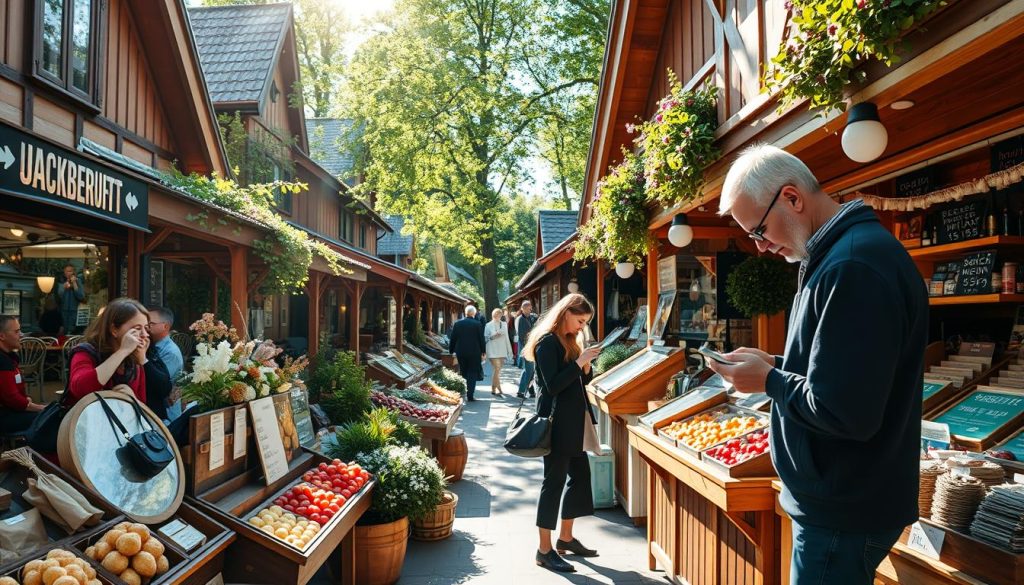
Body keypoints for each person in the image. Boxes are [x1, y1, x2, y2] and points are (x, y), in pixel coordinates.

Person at [708, 145, 927, 585]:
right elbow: (841, 372)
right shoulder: (840, 255)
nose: (763, 247)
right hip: (840, 505)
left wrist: (769, 380)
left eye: (760, 231)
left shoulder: (851, 266)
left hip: (842, 509)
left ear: (792, 198)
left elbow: (846, 411)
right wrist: (777, 363)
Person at [521, 293, 603, 573]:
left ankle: (566, 538)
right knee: (553, 482)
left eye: (585, 322)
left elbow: (576, 380)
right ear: (565, 313)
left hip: (574, 423)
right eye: (580, 320)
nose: (582, 326)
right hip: (556, 425)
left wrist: (586, 367)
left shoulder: (569, 340)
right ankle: (544, 550)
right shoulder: (546, 343)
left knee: (581, 478)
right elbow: (552, 386)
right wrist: (579, 364)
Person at [68, 298, 149, 406]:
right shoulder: (85, 352)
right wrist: (123, 351)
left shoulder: (134, 359)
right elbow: (80, 389)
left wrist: (133, 399)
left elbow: (143, 403)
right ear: (114, 329)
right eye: (137, 328)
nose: (145, 334)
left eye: (146, 328)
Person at [0, 316, 44, 433]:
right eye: (16, 331)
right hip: (4, 417)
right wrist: (40, 408)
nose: (21, 335)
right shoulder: (2, 361)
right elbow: (12, 398)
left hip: (9, 412)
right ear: (1, 336)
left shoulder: (9, 358)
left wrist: (26, 401)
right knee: (48, 419)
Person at [147, 306, 184, 420]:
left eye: (151, 323)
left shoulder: (170, 352)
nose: (147, 327)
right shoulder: (151, 346)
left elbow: (158, 383)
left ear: (165, 326)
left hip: (166, 416)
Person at [448, 305, 486, 401]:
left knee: (464, 371)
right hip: (474, 352)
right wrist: (483, 351)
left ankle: (464, 390)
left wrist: (451, 350)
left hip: (461, 352)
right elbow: (481, 339)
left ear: (465, 313)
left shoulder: (458, 324)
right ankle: (470, 394)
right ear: (473, 313)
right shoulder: (477, 324)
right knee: (472, 372)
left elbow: (453, 338)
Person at [484, 308, 513, 396]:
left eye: (500, 315)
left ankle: (496, 387)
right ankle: (495, 388)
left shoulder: (504, 324)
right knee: (496, 368)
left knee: (497, 370)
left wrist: (509, 350)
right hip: (492, 349)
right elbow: (485, 338)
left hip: (502, 349)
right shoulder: (488, 325)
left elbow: (507, 337)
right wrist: (494, 336)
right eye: (497, 315)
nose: (498, 316)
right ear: (493, 315)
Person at [515, 300, 537, 399]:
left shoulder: (531, 317)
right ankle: (521, 391)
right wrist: (529, 349)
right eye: (527, 309)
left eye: (530, 308)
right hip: (526, 348)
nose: (529, 310)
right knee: (529, 370)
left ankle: (531, 392)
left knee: (529, 370)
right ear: (522, 309)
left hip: (530, 347)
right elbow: (523, 337)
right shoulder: (521, 320)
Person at [57, 264, 85, 334]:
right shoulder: (61, 282)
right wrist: (64, 288)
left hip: (74, 312)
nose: (68, 273)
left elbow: (81, 296)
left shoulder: (78, 281)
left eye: (70, 271)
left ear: (73, 272)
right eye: (67, 271)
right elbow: (58, 296)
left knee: (73, 332)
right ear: (64, 272)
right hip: (63, 311)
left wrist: (74, 284)